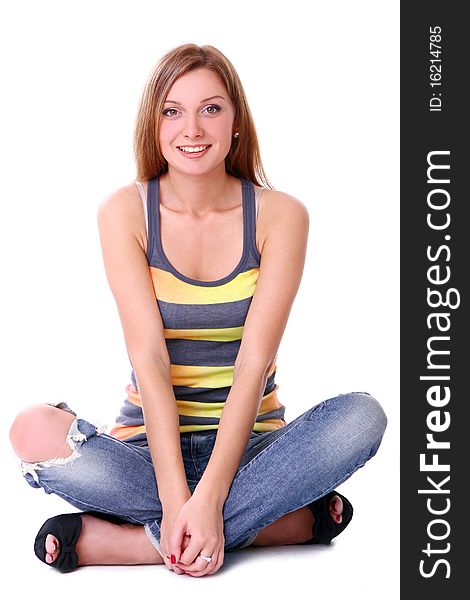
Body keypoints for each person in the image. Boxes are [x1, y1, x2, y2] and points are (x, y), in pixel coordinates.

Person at [9, 43, 387, 578]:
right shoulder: (126, 211)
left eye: (210, 108)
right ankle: (279, 525)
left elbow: (253, 364)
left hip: (254, 450)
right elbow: (150, 359)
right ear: (154, 124)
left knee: (361, 419)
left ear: (235, 121)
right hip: (144, 452)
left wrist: (209, 499)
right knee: (31, 429)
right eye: (173, 110)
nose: (192, 129)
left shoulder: (280, 216)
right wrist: (176, 495)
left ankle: (132, 545)